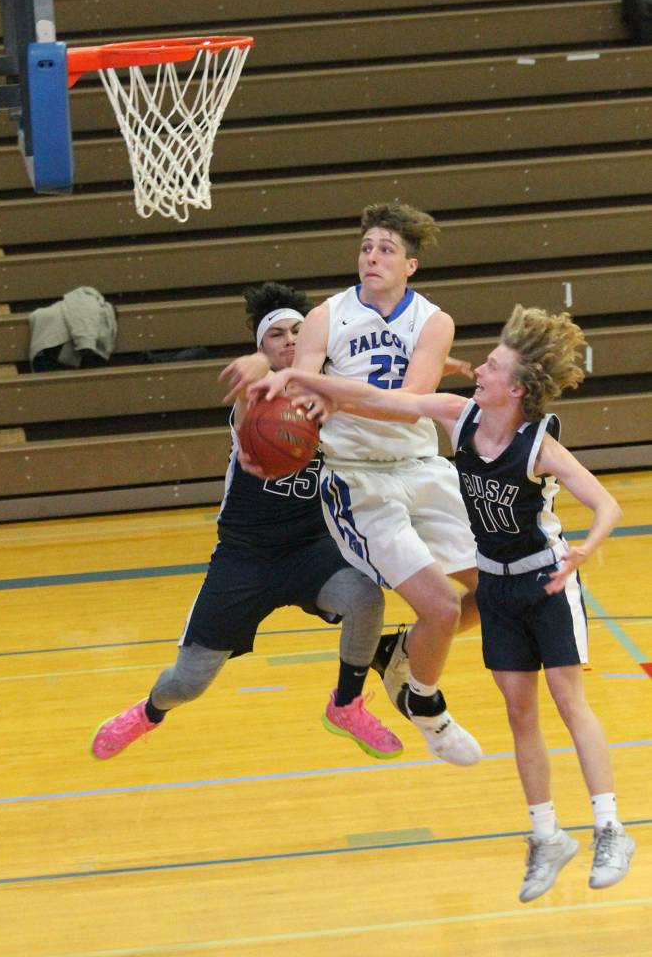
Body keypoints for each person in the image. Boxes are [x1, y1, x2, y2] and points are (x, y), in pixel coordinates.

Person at [256, 303, 636, 901]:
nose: (478, 370)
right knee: (520, 714)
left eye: (491, 366)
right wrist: (297, 378)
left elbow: (607, 504)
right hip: (498, 586)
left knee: (570, 705)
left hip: (545, 583)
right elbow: (385, 401)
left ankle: (610, 827)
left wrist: (585, 549)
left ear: (515, 387)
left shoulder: (538, 444)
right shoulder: (458, 417)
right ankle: (546, 836)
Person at [91, 282, 403, 763]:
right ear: (261, 347)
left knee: (365, 597)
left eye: (299, 330)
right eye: (275, 335)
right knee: (188, 681)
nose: (289, 340)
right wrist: (261, 363)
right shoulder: (254, 399)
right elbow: (256, 376)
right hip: (244, 558)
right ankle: (149, 712)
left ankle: (346, 704)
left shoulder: (335, 395)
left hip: (310, 548)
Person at [265, 201, 483, 767]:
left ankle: (400, 654)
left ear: (410, 265)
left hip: (424, 469)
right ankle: (428, 711)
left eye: (386, 249)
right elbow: (304, 386)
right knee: (440, 606)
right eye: (366, 247)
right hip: (359, 482)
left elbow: (412, 408)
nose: (372, 256)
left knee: (495, 593)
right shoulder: (326, 316)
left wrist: (334, 392)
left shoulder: (433, 322)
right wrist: (305, 405)